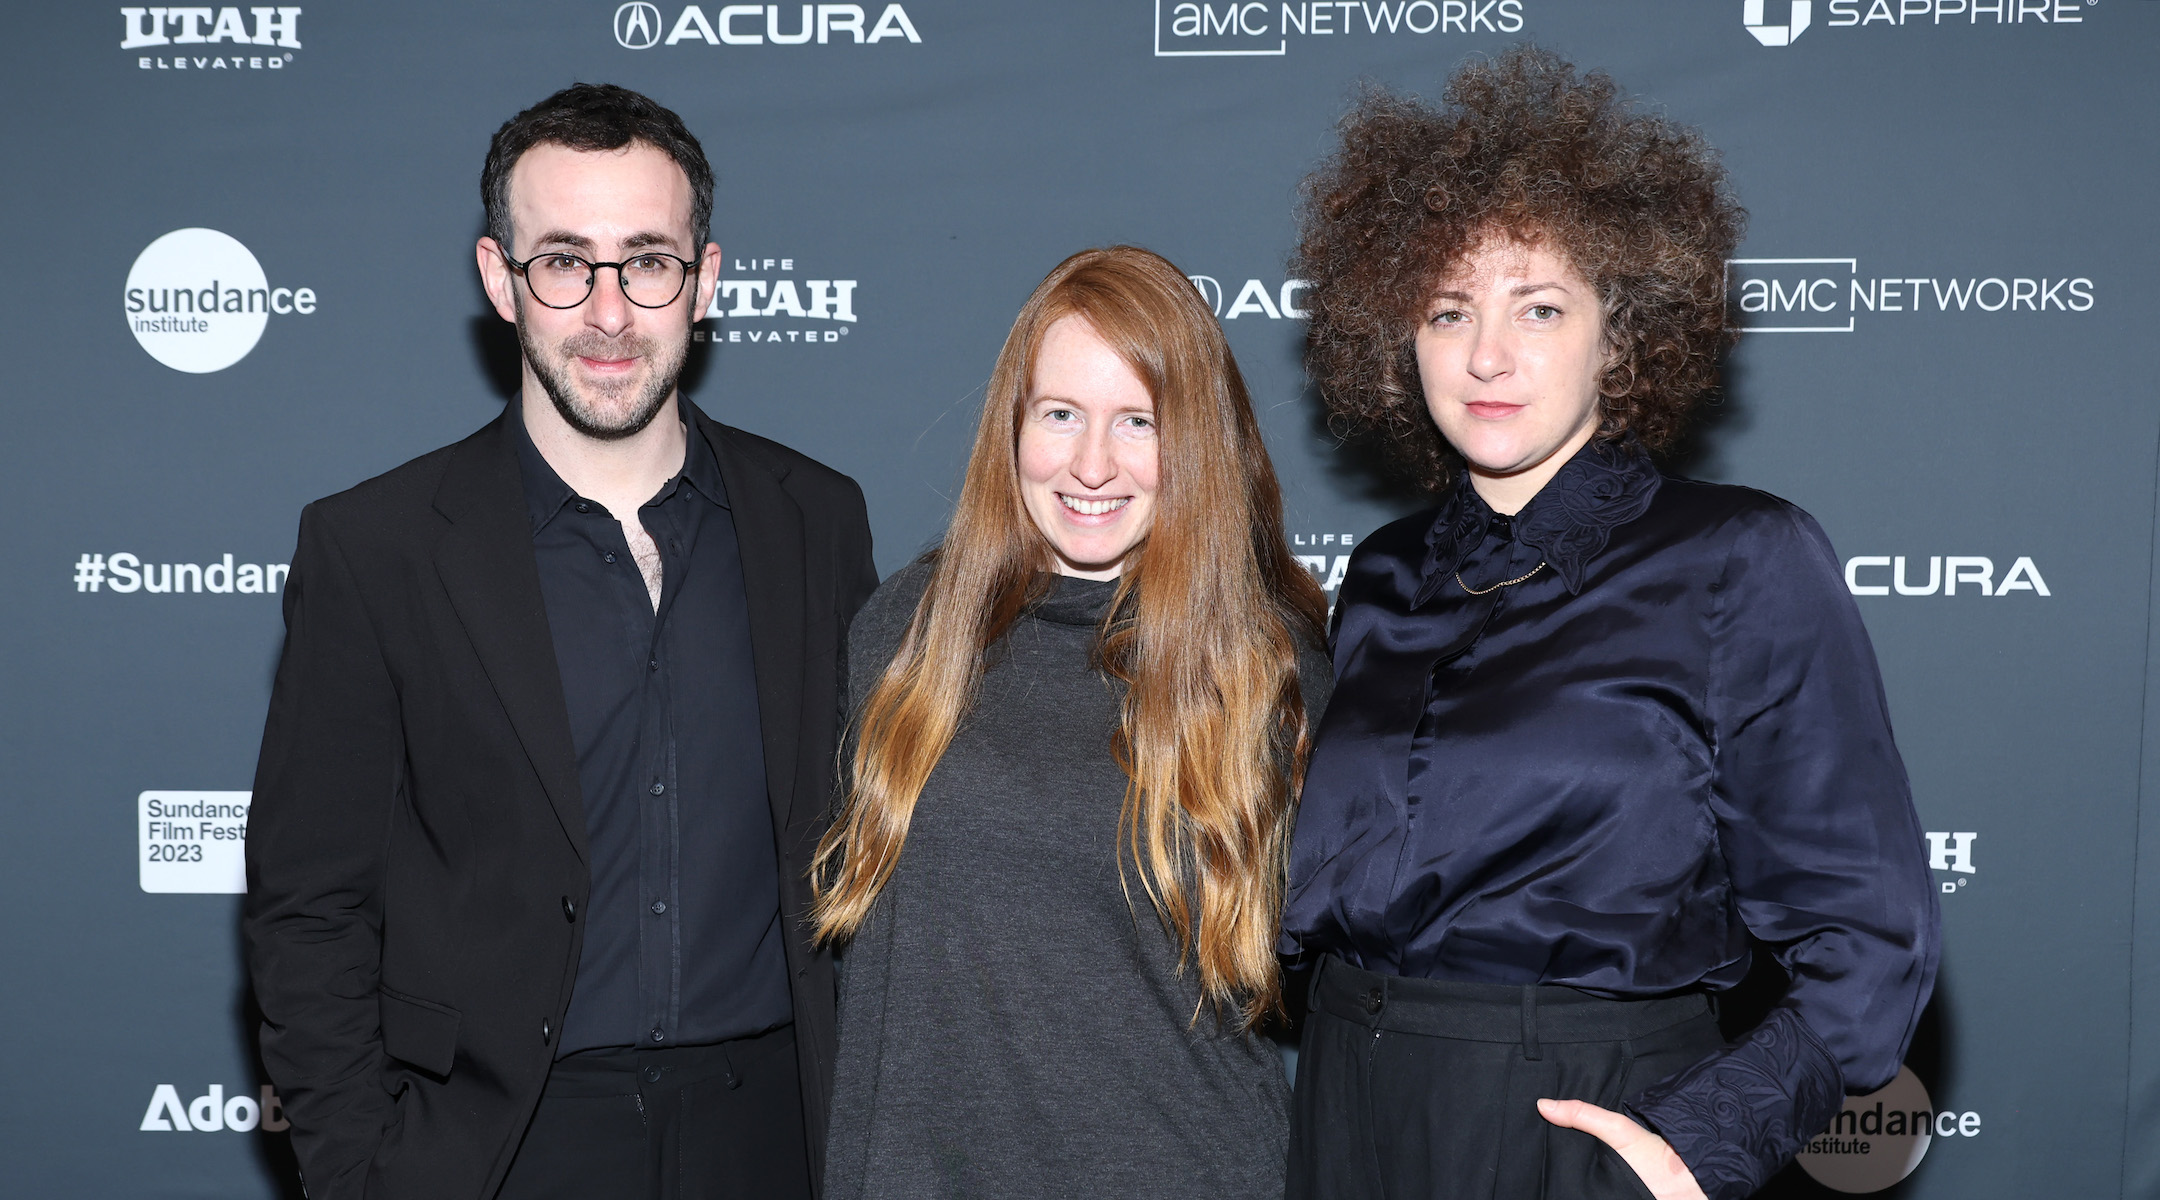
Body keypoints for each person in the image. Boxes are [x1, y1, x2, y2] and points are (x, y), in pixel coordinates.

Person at [1278, 49, 1939, 1200]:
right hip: (1350, 1102)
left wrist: (1699, 1144)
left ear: (1620, 336)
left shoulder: (1739, 556)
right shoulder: (1383, 574)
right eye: (1448, 309)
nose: (1488, 354)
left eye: (1540, 307)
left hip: (1582, 1118)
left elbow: (1872, 937)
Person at [243, 83, 877, 1200]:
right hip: (494, 1148)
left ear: (706, 279)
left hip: (773, 1139)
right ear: (501, 278)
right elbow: (310, 904)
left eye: (647, 261)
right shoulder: (376, 548)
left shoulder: (815, 521)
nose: (609, 313)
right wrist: (364, 1172)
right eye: (564, 263)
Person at [812, 246, 1331, 1200]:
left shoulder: (1267, 664)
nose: (1092, 465)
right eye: (1061, 415)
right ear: (1013, 424)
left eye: (1140, 422)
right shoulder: (904, 632)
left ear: (1197, 442)